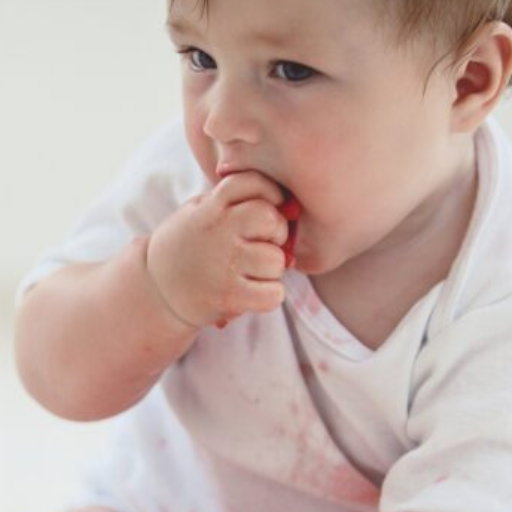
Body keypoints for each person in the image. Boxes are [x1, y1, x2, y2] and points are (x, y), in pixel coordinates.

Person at [14, 0, 512, 510]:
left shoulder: (493, 300)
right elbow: (51, 366)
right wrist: (158, 290)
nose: (220, 122)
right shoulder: (189, 181)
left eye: (292, 71)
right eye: (200, 57)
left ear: (468, 81)